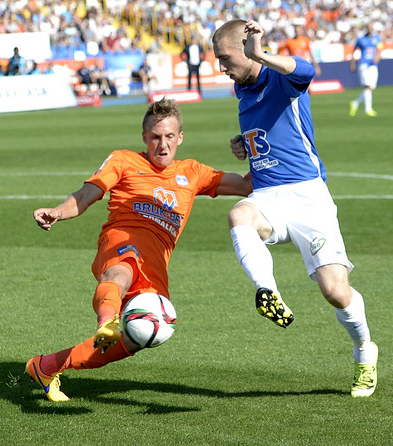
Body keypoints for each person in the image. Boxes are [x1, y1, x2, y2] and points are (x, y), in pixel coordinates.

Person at [25, 98, 252, 401]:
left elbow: (248, 185)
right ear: (144, 138)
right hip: (122, 239)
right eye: (155, 137)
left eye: (169, 137)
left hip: (156, 263)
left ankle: (46, 366)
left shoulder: (193, 172)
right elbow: (87, 193)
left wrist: (257, 149)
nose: (162, 144)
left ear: (180, 138)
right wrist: (58, 212)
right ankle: (107, 320)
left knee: (139, 338)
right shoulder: (124, 160)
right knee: (121, 270)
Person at [212, 19, 378, 398]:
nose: (221, 66)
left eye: (225, 57)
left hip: (308, 198)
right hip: (269, 196)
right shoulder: (242, 88)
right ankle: (267, 292)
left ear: (247, 48)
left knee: (336, 292)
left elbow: (307, 71)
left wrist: (262, 54)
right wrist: (247, 144)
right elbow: (273, 132)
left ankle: (365, 349)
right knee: (239, 215)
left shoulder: (280, 78)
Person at [349, 22, 382, 117]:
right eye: (369, 28)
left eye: (372, 28)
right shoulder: (361, 39)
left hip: (373, 65)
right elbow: (354, 50)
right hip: (364, 65)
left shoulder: (377, 38)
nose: (371, 29)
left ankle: (355, 103)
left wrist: (378, 56)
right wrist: (352, 63)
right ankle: (368, 109)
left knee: (371, 88)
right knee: (367, 86)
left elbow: (379, 49)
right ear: (367, 29)